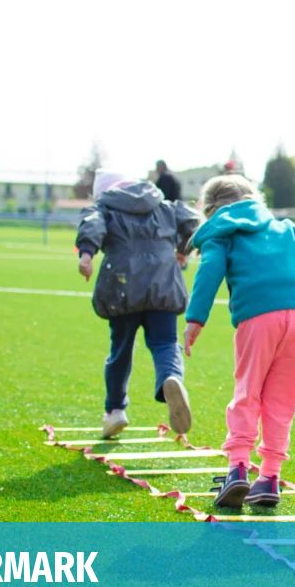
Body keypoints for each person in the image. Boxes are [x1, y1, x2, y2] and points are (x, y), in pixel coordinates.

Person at [183, 175, 295, 508]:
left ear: (210, 209)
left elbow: (210, 269)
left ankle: (237, 469)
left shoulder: (222, 233)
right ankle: (270, 478)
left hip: (257, 318)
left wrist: (195, 319)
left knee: (247, 392)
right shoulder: (286, 228)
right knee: (282, 401)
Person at [75, 170, 200, 439]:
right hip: (164, 284)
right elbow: (191, 221)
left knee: (121, 349)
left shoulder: (105, 207)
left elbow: (92, 224)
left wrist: (86, 255)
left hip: (122, 287)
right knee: (166, 343)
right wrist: (182, 249)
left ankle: (115, 410)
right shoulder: (162, 204)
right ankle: (171, 378)